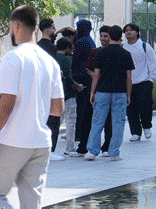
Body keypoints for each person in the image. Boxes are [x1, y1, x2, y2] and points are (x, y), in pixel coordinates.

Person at [0, 6, 63, 209]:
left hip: (16, 139)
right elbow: (58, 109)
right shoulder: (50, 62)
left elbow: (6, 106)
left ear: (16, 26)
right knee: (32, 203)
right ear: (37, 27)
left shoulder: (12, 58)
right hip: (42, 142)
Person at [84, 25, 133, 161]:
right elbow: (129, 77)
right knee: (118, 123)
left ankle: (92, 151)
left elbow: (96, 75)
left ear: (110, 35)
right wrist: (128, 94)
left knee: (98, 121)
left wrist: (92, 92)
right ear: (121, 36)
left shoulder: (101, 53)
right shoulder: (126, 54)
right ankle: (114, 152)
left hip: (103, 91)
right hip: (120, 92)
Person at [123, 23, 156, 141]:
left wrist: (152, 78)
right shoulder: (123, 48)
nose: (128, 32)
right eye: (126, 30)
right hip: (128, 83)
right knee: (131, 108)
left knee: (145, 106)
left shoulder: (144, 46)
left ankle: (147, 126)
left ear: (137, 32)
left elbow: (152, 63)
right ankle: (135, 132)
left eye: (131, 30)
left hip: (144, 81)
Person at [71, 19, 95, 155]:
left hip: (79, 78)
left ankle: (79, 134)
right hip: (87, 78)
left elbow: (75, 62)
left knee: (80, 108)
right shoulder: (91, 41)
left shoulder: (80, 43)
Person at [53, 38, 78, 158]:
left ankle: (50, 146)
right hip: (68, 94)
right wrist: (77, 86)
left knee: (56, 121)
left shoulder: (52, 57)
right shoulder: (66, 60)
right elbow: (68, 76)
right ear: (68, 47)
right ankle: (70, 146)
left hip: (55, 94)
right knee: (70, 120)